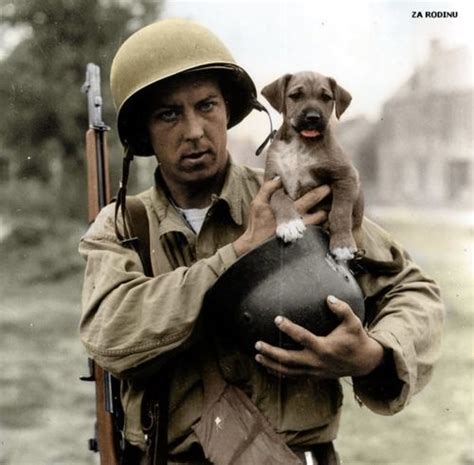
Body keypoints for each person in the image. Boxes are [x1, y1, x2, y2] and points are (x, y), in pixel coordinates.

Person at [79, 18, 444, 465]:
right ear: (144, 133)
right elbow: (109, 334)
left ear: (228, 110)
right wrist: (239, 253)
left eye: (207, 106)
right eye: (168, 114)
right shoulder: (122, 226)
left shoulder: (298, 194)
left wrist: (372, 354)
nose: (194, 130)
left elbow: (414, 290)